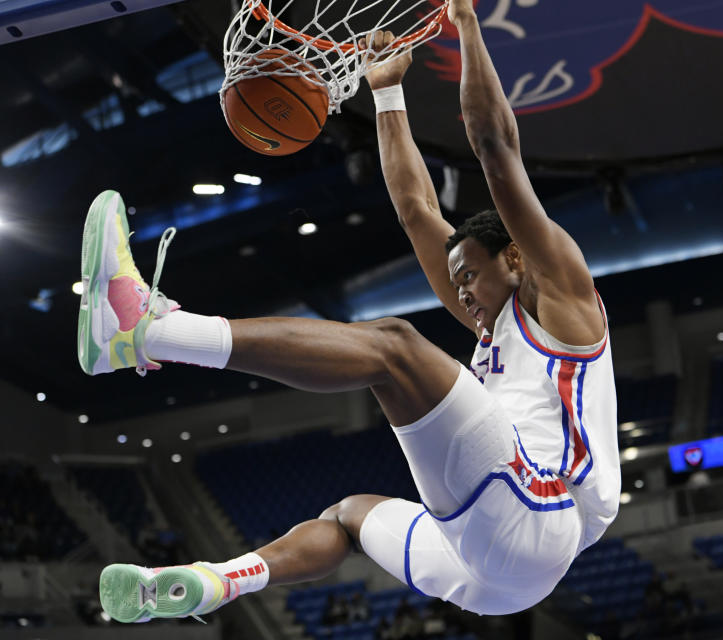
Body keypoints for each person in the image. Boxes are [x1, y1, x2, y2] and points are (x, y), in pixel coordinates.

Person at [88, 0, 618, 624]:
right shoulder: (488, 326)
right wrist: (387, 95)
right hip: (500, 570)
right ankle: (211, 583)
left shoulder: (563, 298)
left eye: (470, 273)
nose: (463, 291)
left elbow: (496, 148)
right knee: (347, 514)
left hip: (542, 516)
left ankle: (152, 333)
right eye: (457, 281)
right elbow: (418, 209)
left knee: (395, 347)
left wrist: (470, 27)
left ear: (516, 259)